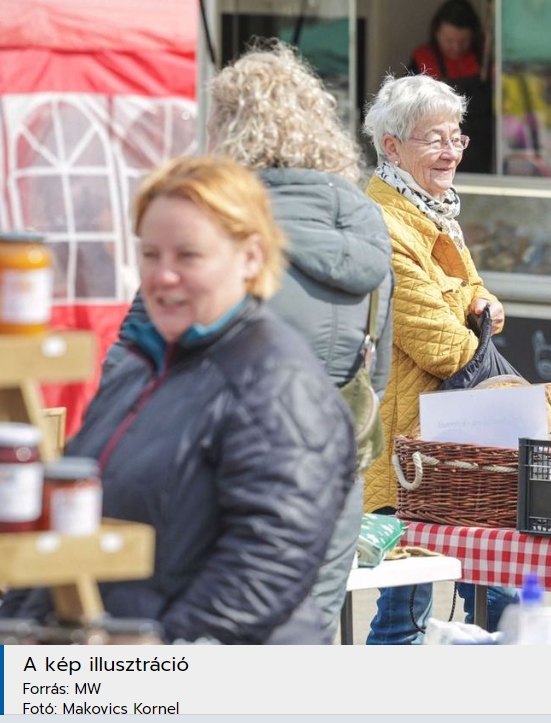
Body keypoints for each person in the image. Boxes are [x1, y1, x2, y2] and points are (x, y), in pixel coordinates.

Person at [101, 42, 394, 643]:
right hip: (331, 496)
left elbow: (130, 381)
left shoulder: (213, 239)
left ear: (230, 133)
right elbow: (376, 378)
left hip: (212, 502)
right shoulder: (370, 240)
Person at [0, 156, 357, 643]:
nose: (163, 276)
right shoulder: (141, 368)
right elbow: (70, 533)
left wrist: (152, 658)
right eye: (151, 255)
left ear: (251, 257)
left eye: (187, 256)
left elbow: (264, 568)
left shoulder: (278, 382)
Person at [360, 73, 515, 643]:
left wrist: (479, 305)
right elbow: (436, 341)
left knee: (486, 587)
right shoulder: (383, 220)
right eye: (434, 138)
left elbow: (485, 298)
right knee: (404, 611)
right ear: (392, 147)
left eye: (456, 136)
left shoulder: (433, 210)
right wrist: (473, 311)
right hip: (409, 442)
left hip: (445, 436)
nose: (450, 151)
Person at [409, 0, 493, 174]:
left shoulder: (486, 59)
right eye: (449, 40)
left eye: (463, 41)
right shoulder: (422, 60)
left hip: (483, 146)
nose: (456, 47)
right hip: (440, 150)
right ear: (436, 33)